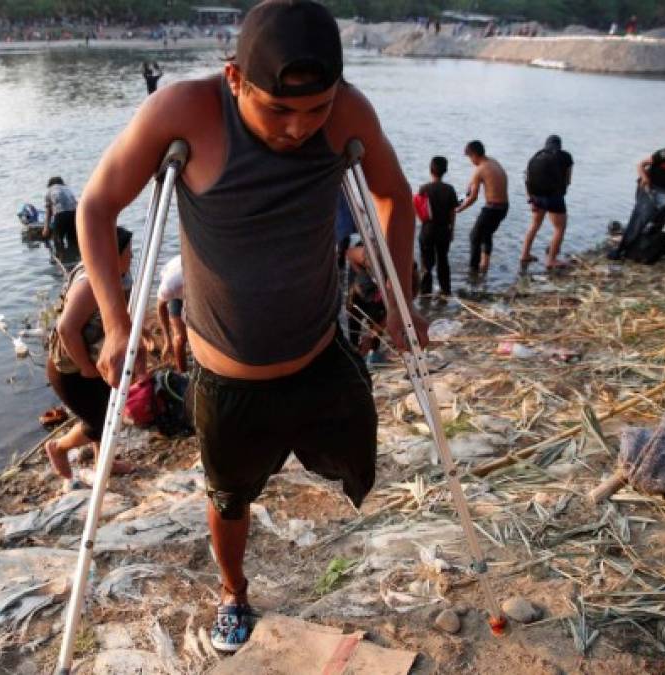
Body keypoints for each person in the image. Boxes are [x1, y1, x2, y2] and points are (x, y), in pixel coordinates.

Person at [73, 0, 428, 653]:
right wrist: (118, 324)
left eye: (314, 109)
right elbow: (96, 206)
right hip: (229, 380)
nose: (298, 128)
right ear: (234, 78)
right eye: (279, 110)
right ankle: (233, 592)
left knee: (357, 463)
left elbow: (392, 197)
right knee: (229, 495)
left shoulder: (346, 111)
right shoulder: (183, 113)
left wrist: (399, 297)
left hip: (322, 354)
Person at [44, 227, 137, 486]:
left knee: (108, 410)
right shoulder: (90, 283)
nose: (132, 256)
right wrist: (85, 367)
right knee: (100, 422)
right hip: (71, 368)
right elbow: (66, 328)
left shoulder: (117, 274)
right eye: (128, 252)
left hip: (96, 359)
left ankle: (103, 462)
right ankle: (59, 448)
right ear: (111, 255)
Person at [609, 146, 665, 261]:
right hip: (648, 185)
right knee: (642, 217)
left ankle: (642, 249)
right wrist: (645, 178)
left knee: (660, 220)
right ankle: (621, 249)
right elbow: (641, 165)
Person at [455, 140, 508, 276]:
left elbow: (473, 198)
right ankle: (485, 264)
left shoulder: (479, 170)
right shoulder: (493, 162)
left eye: (469, 157)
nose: (470, 161)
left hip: (493, 208)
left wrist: (459, 209)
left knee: (474, 236)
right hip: (504, 207)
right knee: (486, 233)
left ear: (474, 155)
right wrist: (471, 185)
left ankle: (473, 270)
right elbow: (473, 184)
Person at [521, 134, 574, 270]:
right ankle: (551, 260)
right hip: (554, 197)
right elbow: (568, 180)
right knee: (559, 227)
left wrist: (530, 199)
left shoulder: (536, 156)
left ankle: (525, 254)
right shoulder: (566, 157)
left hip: (536, 196)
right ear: (560, 145)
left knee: (534, 225)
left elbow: (527, 179)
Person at [417, 156, 459, 296]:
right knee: (443, 261)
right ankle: (445, 291)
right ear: (445, 171)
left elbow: (419, 210)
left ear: (431, 170)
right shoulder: (449, 189)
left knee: (426, 264)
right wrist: (452, 230)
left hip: (427, 229)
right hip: (443, 230)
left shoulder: (424, 189)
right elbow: (452, 213)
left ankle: (425, 293)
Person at [156, 254, 188, 372]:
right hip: (177, 285)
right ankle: (182, 372)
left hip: (198, 292)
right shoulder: (170, 285)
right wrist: (167, 339)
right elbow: (161, 306)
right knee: (180, 338)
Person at [42, 176, 79, 254]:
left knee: (58, 240)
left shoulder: (49, 191)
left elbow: (48, 211)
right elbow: (76, 204)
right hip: (73, 215)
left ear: (50, 184)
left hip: (60, 215)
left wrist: (46, 228)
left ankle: (61, 257)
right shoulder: (68, 189)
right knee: (73, 240)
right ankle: (75, 257)